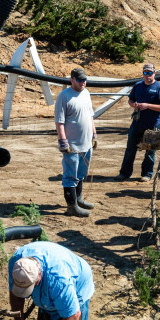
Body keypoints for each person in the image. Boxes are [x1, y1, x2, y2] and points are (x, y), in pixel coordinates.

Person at [115, 62, 160, 182]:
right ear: (143, 74)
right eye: (145, 73)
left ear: (154, 73)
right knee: (130, 149)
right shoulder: (138, 86)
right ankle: (124, 173)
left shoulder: (159, 88)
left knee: (150, 150)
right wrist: (134, 105)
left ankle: (147, 174)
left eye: (150, 73)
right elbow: (130, 100)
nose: (148, 75)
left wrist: (148, 106)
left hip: (153, 124)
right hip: (137, 123)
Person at [54, 67, 97, 217]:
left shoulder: (86, 93)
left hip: (86, 144)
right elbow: (59, 122)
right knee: (70, 176)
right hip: (72, 145)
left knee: (81, 174)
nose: (83, 82)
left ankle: (78, 199)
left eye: (84, 79)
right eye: (79, 80)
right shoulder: (64, 97)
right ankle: (71, 206)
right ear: (72, 80)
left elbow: (90, 115)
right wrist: (63, 141)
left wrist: (94, 134)